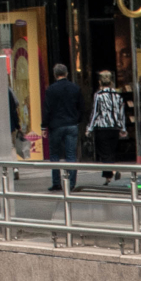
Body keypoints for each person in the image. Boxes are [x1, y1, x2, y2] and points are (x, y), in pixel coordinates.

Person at [40, 62, 85, 192]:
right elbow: (81, 107)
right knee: (71, 155)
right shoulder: (75, 88)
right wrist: (78, 120)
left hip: (56, 125)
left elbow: (47, 109)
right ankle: (71, 183)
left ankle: (56, 182)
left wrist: (44, 126)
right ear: (67, 73)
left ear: (55, 75)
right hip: (71, 124)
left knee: (54, 155)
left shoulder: (51, 90)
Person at [86, 72, 129, 183]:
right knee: (111, 152)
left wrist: (89, 128)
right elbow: (121, 113)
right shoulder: (117, 95)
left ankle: (113, 172)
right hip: (114, 127)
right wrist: (123, 128)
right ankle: (108, 178)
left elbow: (95, 112)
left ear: (100, 82)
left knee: (104, 153)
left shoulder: (99, 95)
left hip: (102, 127)